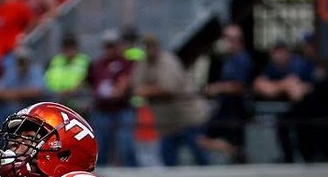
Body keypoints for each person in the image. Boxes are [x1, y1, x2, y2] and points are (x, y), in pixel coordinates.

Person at [131, 35, 209, 166]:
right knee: (168, 161)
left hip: (187, 118)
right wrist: (151, 89)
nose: (149, 49)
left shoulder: (168, 61)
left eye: (151, 46)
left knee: (200, 156)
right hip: (166, 123)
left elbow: (169, 87)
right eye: (146, 46)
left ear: (157, 47)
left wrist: (147, 90)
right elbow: (135, 86)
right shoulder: (144, 63)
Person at [200, 24, 254, 163]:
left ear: (236, 40)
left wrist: (217, 88)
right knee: (203, 138)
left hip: (236, 110)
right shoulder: (227, 59)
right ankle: (234, 153)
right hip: (224, 108)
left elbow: (239, 86)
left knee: (236, 145)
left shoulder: (243, 59)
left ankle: (237, 155)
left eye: (228, 38)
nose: (224, 41)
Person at [87, 30, 135, 166]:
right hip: (102, 109)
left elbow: (124, 83)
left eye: (112, 45)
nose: (110, 49)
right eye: (107, 45)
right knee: (101, 148)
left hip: (121, 109)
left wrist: (118, 90)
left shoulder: (125, 63)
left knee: (125, 147)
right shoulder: (97, 64)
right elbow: (89, 82)